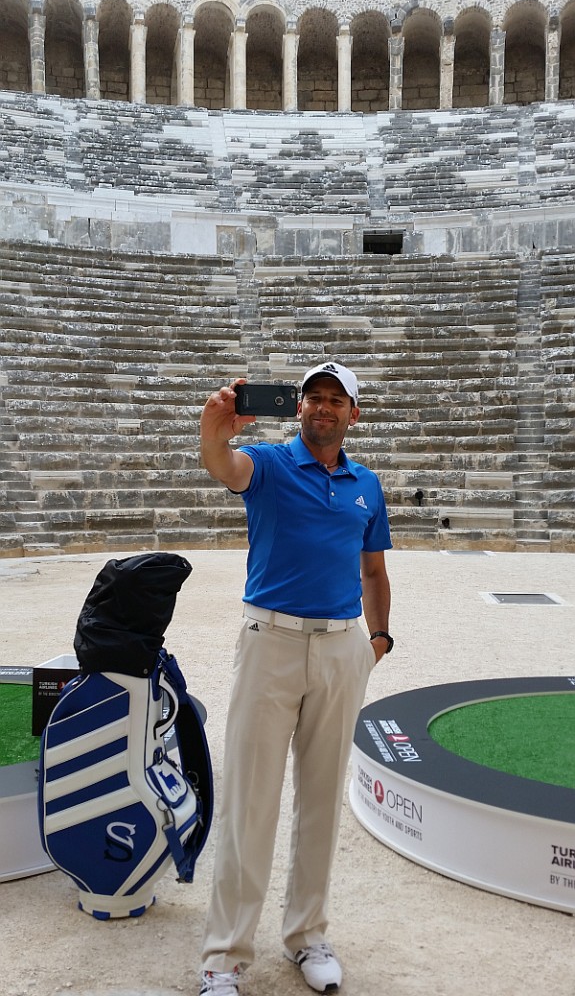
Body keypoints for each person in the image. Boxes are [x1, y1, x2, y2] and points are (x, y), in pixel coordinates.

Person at [198, 361, 393, 996]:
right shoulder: (270, 464)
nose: (324, 408)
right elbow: (225, 467)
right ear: (299, 407)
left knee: (321, 802)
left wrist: (377, 640)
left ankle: (307, 937)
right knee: (250, 804)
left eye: (338, 400)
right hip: (270, 642)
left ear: (353, 415)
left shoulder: (367, 484)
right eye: (315, 397)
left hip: (340, 651)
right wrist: (214, 430)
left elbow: (373, 570)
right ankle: (224, 958)